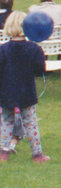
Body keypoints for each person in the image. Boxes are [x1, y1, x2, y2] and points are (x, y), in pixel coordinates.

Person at [0, 13, 48, 162]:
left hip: (7, 91)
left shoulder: (3, 49)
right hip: (27, 90)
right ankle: (37, 154)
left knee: (6, 121)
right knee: (30, 122)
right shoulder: (34, 49)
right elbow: (40, 70)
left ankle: (3, 151)